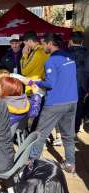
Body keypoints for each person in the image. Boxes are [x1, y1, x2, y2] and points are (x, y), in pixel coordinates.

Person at [29, 33, 78, 173]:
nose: (43, 46)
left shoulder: (51, 61)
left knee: (41, 133)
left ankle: (33, 162)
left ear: (49, 43)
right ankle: (70, 164)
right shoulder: (70, 57)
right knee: (68, 135)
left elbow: (50, 84)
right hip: (72, 100)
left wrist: (36, 82)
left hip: (55, 103)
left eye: (43, 44)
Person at [67, 31, 89, 133]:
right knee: (79, 108)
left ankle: (66, 131)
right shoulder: (87, 54)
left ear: (70, 41)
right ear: (82, 42)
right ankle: (74, 131)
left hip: (66, 86)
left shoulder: (64, 54)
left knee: (66, 110)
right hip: (82, 86)